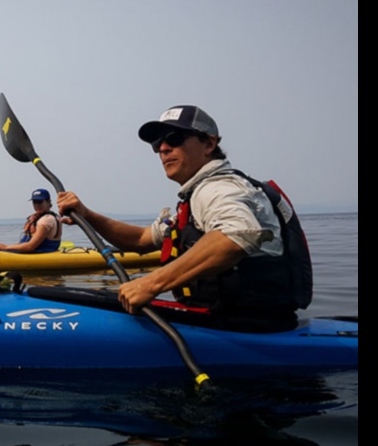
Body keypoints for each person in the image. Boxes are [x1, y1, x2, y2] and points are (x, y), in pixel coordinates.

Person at [57, 105, 312, 330]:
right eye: (157, 145)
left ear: (209, 144)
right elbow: (141, 239)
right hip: (222, 320)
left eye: (175, 138)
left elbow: (234, 236)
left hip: (247, 327)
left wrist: (151, 284)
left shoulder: (218, 188)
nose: (164, 149)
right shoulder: (195, 196)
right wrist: (87, 215)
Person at [0, 188, 63, 253]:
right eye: (34, 202)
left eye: (39, 202)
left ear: (48, 202)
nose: (36, 205)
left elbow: (30, 247)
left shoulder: (46, 221)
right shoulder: (49, 217)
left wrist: (6, 247)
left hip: (40, 253)